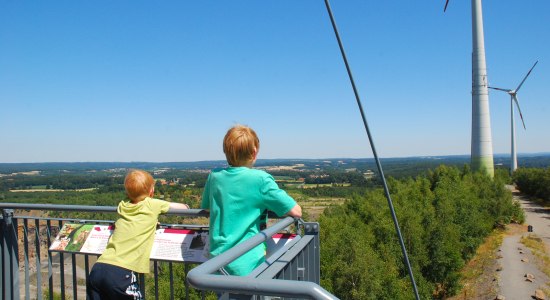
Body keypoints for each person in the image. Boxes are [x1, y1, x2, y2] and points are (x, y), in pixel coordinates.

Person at [201, 125, 302, 276]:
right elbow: (296, 211)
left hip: (217, 262)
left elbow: (208, 209)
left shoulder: (215, 176)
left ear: (226, 152)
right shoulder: (260, 179)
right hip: (248, 263)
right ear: (254, 153)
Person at [87, 169, 189, 300]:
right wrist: (186, 205)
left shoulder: (123, 205)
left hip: (99, 268)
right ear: (151, 191)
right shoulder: (153, 204)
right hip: (121, 272)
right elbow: (182, 208)